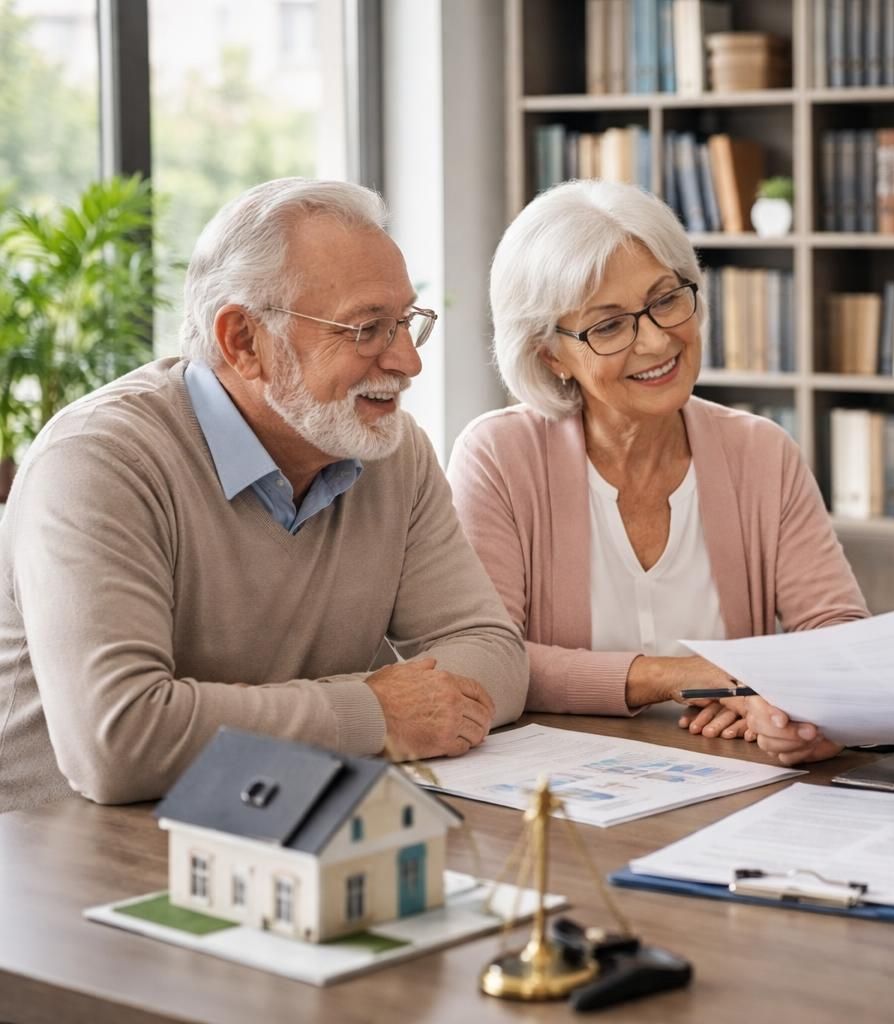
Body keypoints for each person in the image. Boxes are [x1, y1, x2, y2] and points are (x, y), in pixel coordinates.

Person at [0, 178, 529, 814]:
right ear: (243, 342)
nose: (408, 362)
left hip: (282, 823)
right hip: (67, 858)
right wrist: (373, 711)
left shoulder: (391, 448)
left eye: (407, 323)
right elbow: (120, 742)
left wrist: (254, 718)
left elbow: (493, 654)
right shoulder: (100, 460)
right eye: (367, 329)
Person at [446, 179, 866, 754]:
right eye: (610, 325)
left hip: (734, 777)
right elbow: (487, 661)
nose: (655, 341)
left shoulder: (761, 452)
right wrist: (684, 675)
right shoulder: (499, 456)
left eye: (666, 298)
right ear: (551, 354)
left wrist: (797, 712)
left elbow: (838, 633)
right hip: (556, 793)